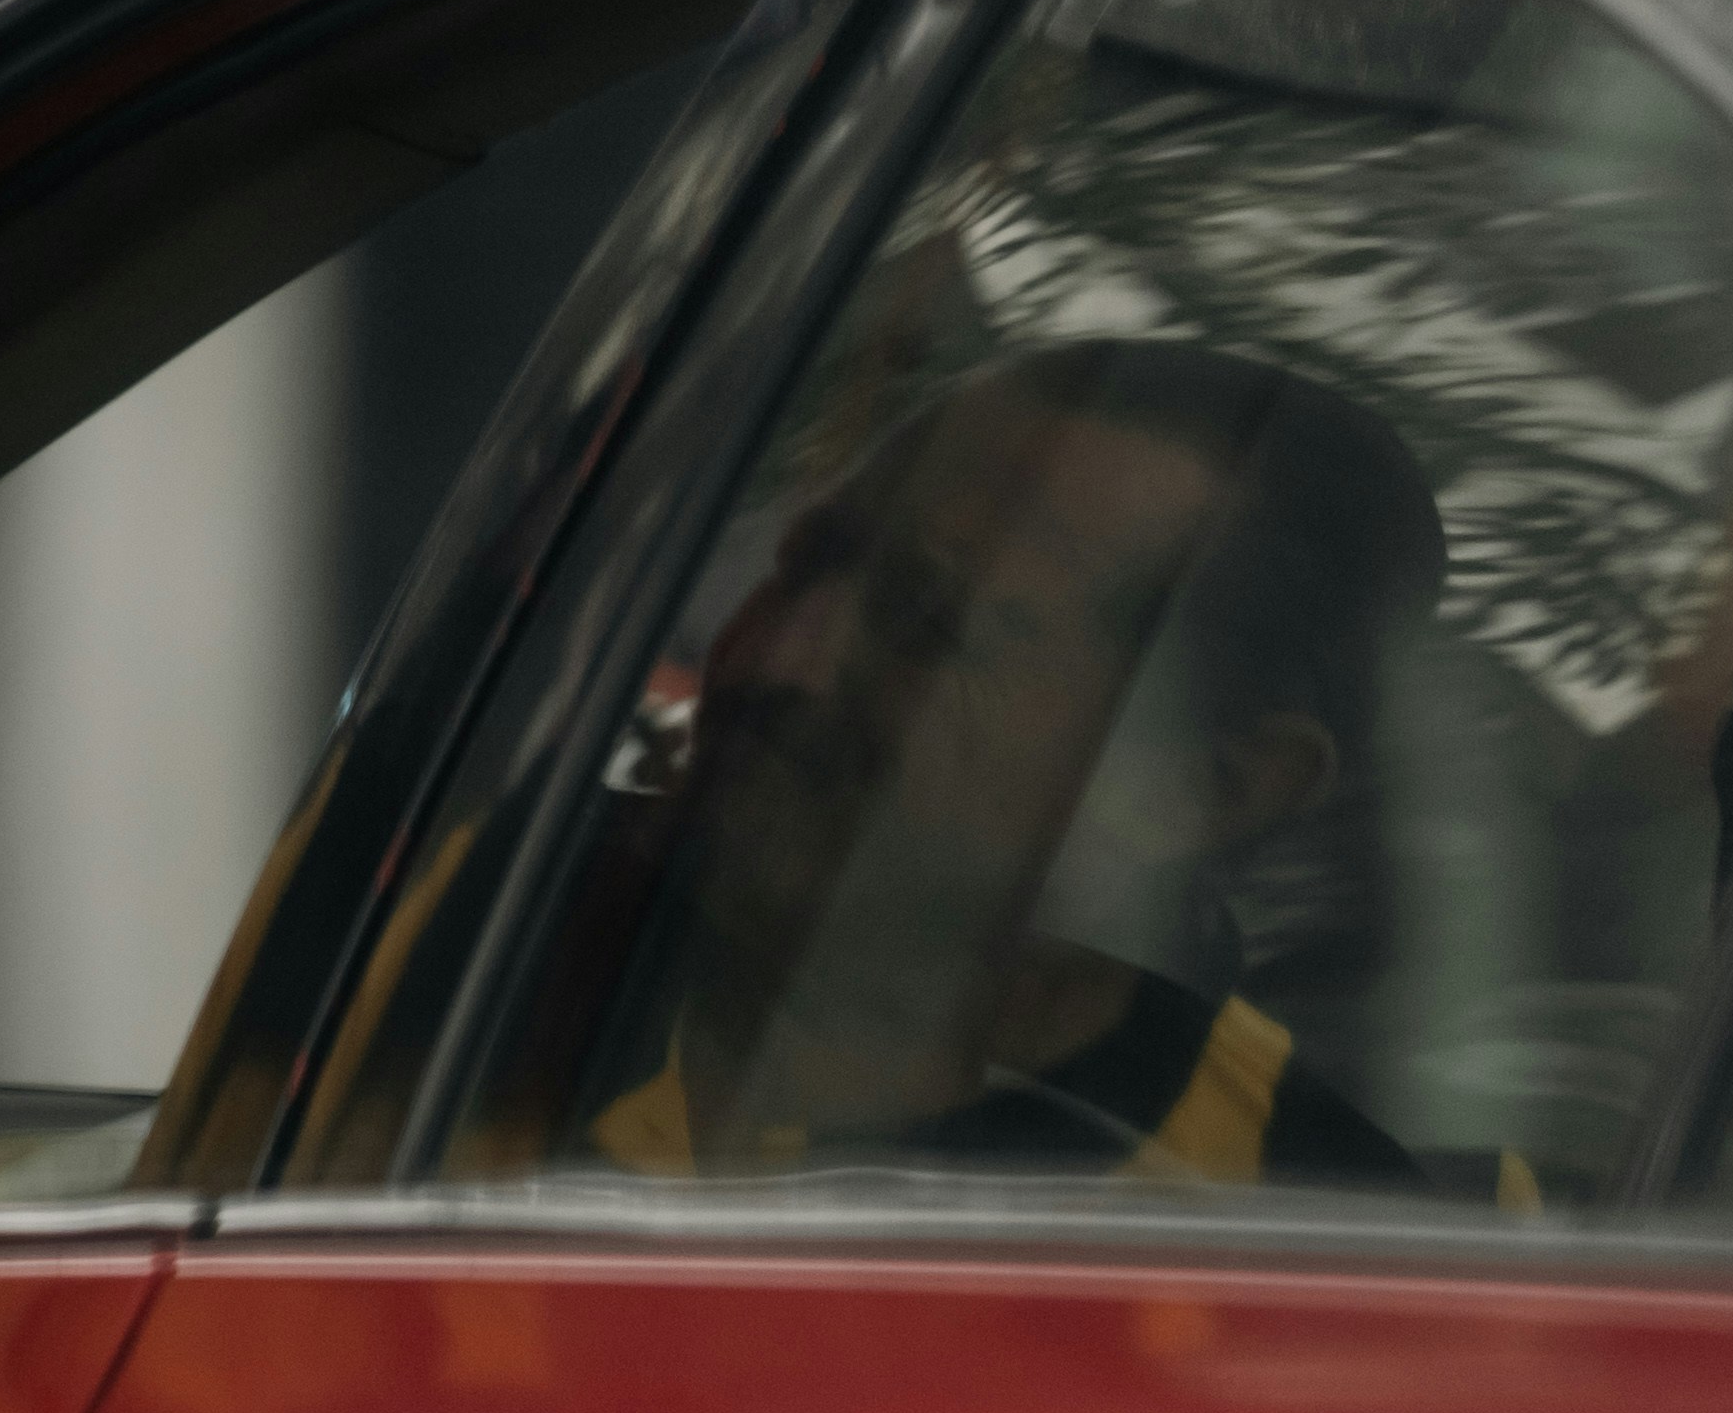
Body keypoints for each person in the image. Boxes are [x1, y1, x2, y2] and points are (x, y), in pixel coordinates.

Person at [579, 333, 1447, 1187]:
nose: (776, 658)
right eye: (809, 563)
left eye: (930, 622)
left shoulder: (1299, 1257)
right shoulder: (479, 901)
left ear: (1204, 790)